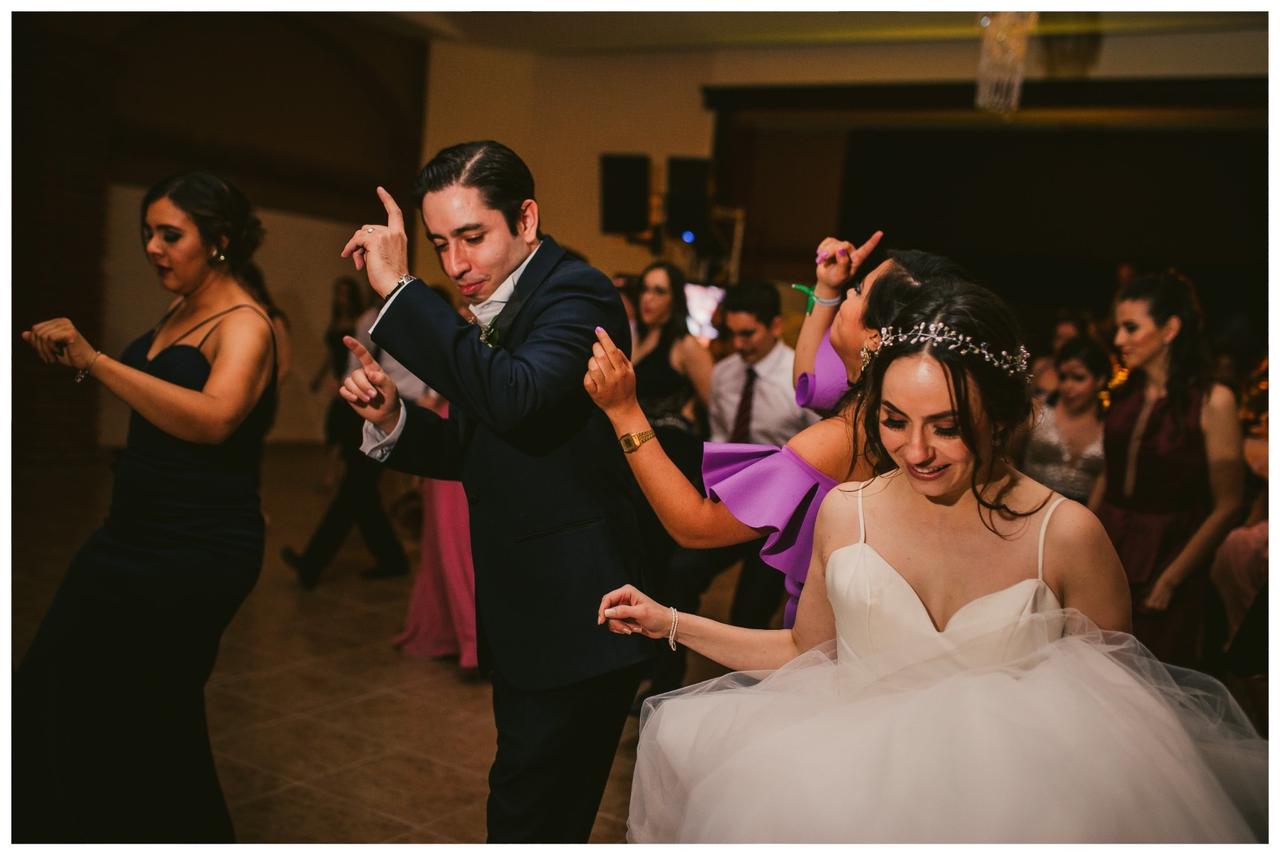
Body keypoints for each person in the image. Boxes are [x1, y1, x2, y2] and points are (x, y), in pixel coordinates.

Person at [594, 281, 1266, 843]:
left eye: (947, 425)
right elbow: (806, 651)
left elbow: (1117, 716)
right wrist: (671, 621)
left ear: (1002, 414)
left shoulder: (1066, 535)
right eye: (892, 420)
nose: (916, 451)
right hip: (838, 791)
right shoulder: (847, 509)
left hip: (1023, 810)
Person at [336, 140, 651, 842]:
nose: (454, 264)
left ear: (527, 218)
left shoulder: (578, 293)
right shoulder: (500, 298)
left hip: (584, 612)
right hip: (526, 607)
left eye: (472, 237)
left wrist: (399, 291)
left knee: (531, 809)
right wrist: (393, 418)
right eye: (441, 244)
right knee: (528, 801)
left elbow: (514, 399)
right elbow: (488, 446)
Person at [14, 172, 276, 842]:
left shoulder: (245, 323)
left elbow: (217, 418)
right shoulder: (178, 308)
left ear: (217, 240)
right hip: (129, 534)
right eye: (146, 233)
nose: (153, 248)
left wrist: (95, 360)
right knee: (48, 689)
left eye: (170, 234)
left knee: (147, 714)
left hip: (198, 548)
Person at [586, 238, 969, 628]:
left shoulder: (836, 442)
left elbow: (695, 525)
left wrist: (624, 411)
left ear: (875, 336)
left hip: (813, 646)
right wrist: (827, 288)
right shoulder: (893, 413)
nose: (846, 296)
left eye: (857, 290)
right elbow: (810, 380)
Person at [1090, 271, 1245, 667]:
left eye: (1130, 327)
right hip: (1112, 541)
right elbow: (1108, 475)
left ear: (1170, 328)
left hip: (1169, 550)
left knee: (1154, 678)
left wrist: (1172, 578)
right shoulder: (1125, 393)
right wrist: (1084, 539)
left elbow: (1229, 504)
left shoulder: (1214, 400)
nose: (1119, 340)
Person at [280, 295, 415, 587]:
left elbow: (416, 376)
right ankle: (391, 559)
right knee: (360, 492)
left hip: (401, 413)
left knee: (356, 489)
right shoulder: (368, 318)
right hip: (364, 411)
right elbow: (355, 362)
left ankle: (313, 563)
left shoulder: (413, 316)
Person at [633, 259, 714, 479]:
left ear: (674, 300)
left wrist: (690, 411)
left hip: (671, 453)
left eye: (659, 291)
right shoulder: (635, 337)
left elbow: (714, 405)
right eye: (645, 289)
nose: (648, 298)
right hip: (636, 447)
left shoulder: (685, 345)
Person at [1018, 334, 1110, 503]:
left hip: (1085, 515)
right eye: (1063, 377)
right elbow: (1008, 456)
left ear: (1100, 380)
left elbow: (1105, 478)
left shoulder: (1111, 423)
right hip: (1030, 505)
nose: (1068, 386)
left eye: (1078, 378)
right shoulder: (1038, 410)